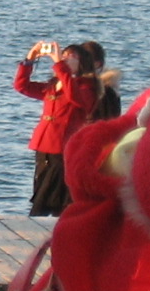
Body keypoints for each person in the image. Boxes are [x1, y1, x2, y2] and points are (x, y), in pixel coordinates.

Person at [13, 39, 106, 217]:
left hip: (62, 147)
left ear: (82, 62)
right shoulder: (55, 85)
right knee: (43, 188)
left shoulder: (88, 87)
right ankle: (49, 222)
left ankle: (39, 220)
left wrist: (59, 64)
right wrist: (30, 59)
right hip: (44, 145)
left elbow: (75, 97)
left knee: (50, 195)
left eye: (72, 56)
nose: (66, 59)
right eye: (65, 55)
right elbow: (21, 86)